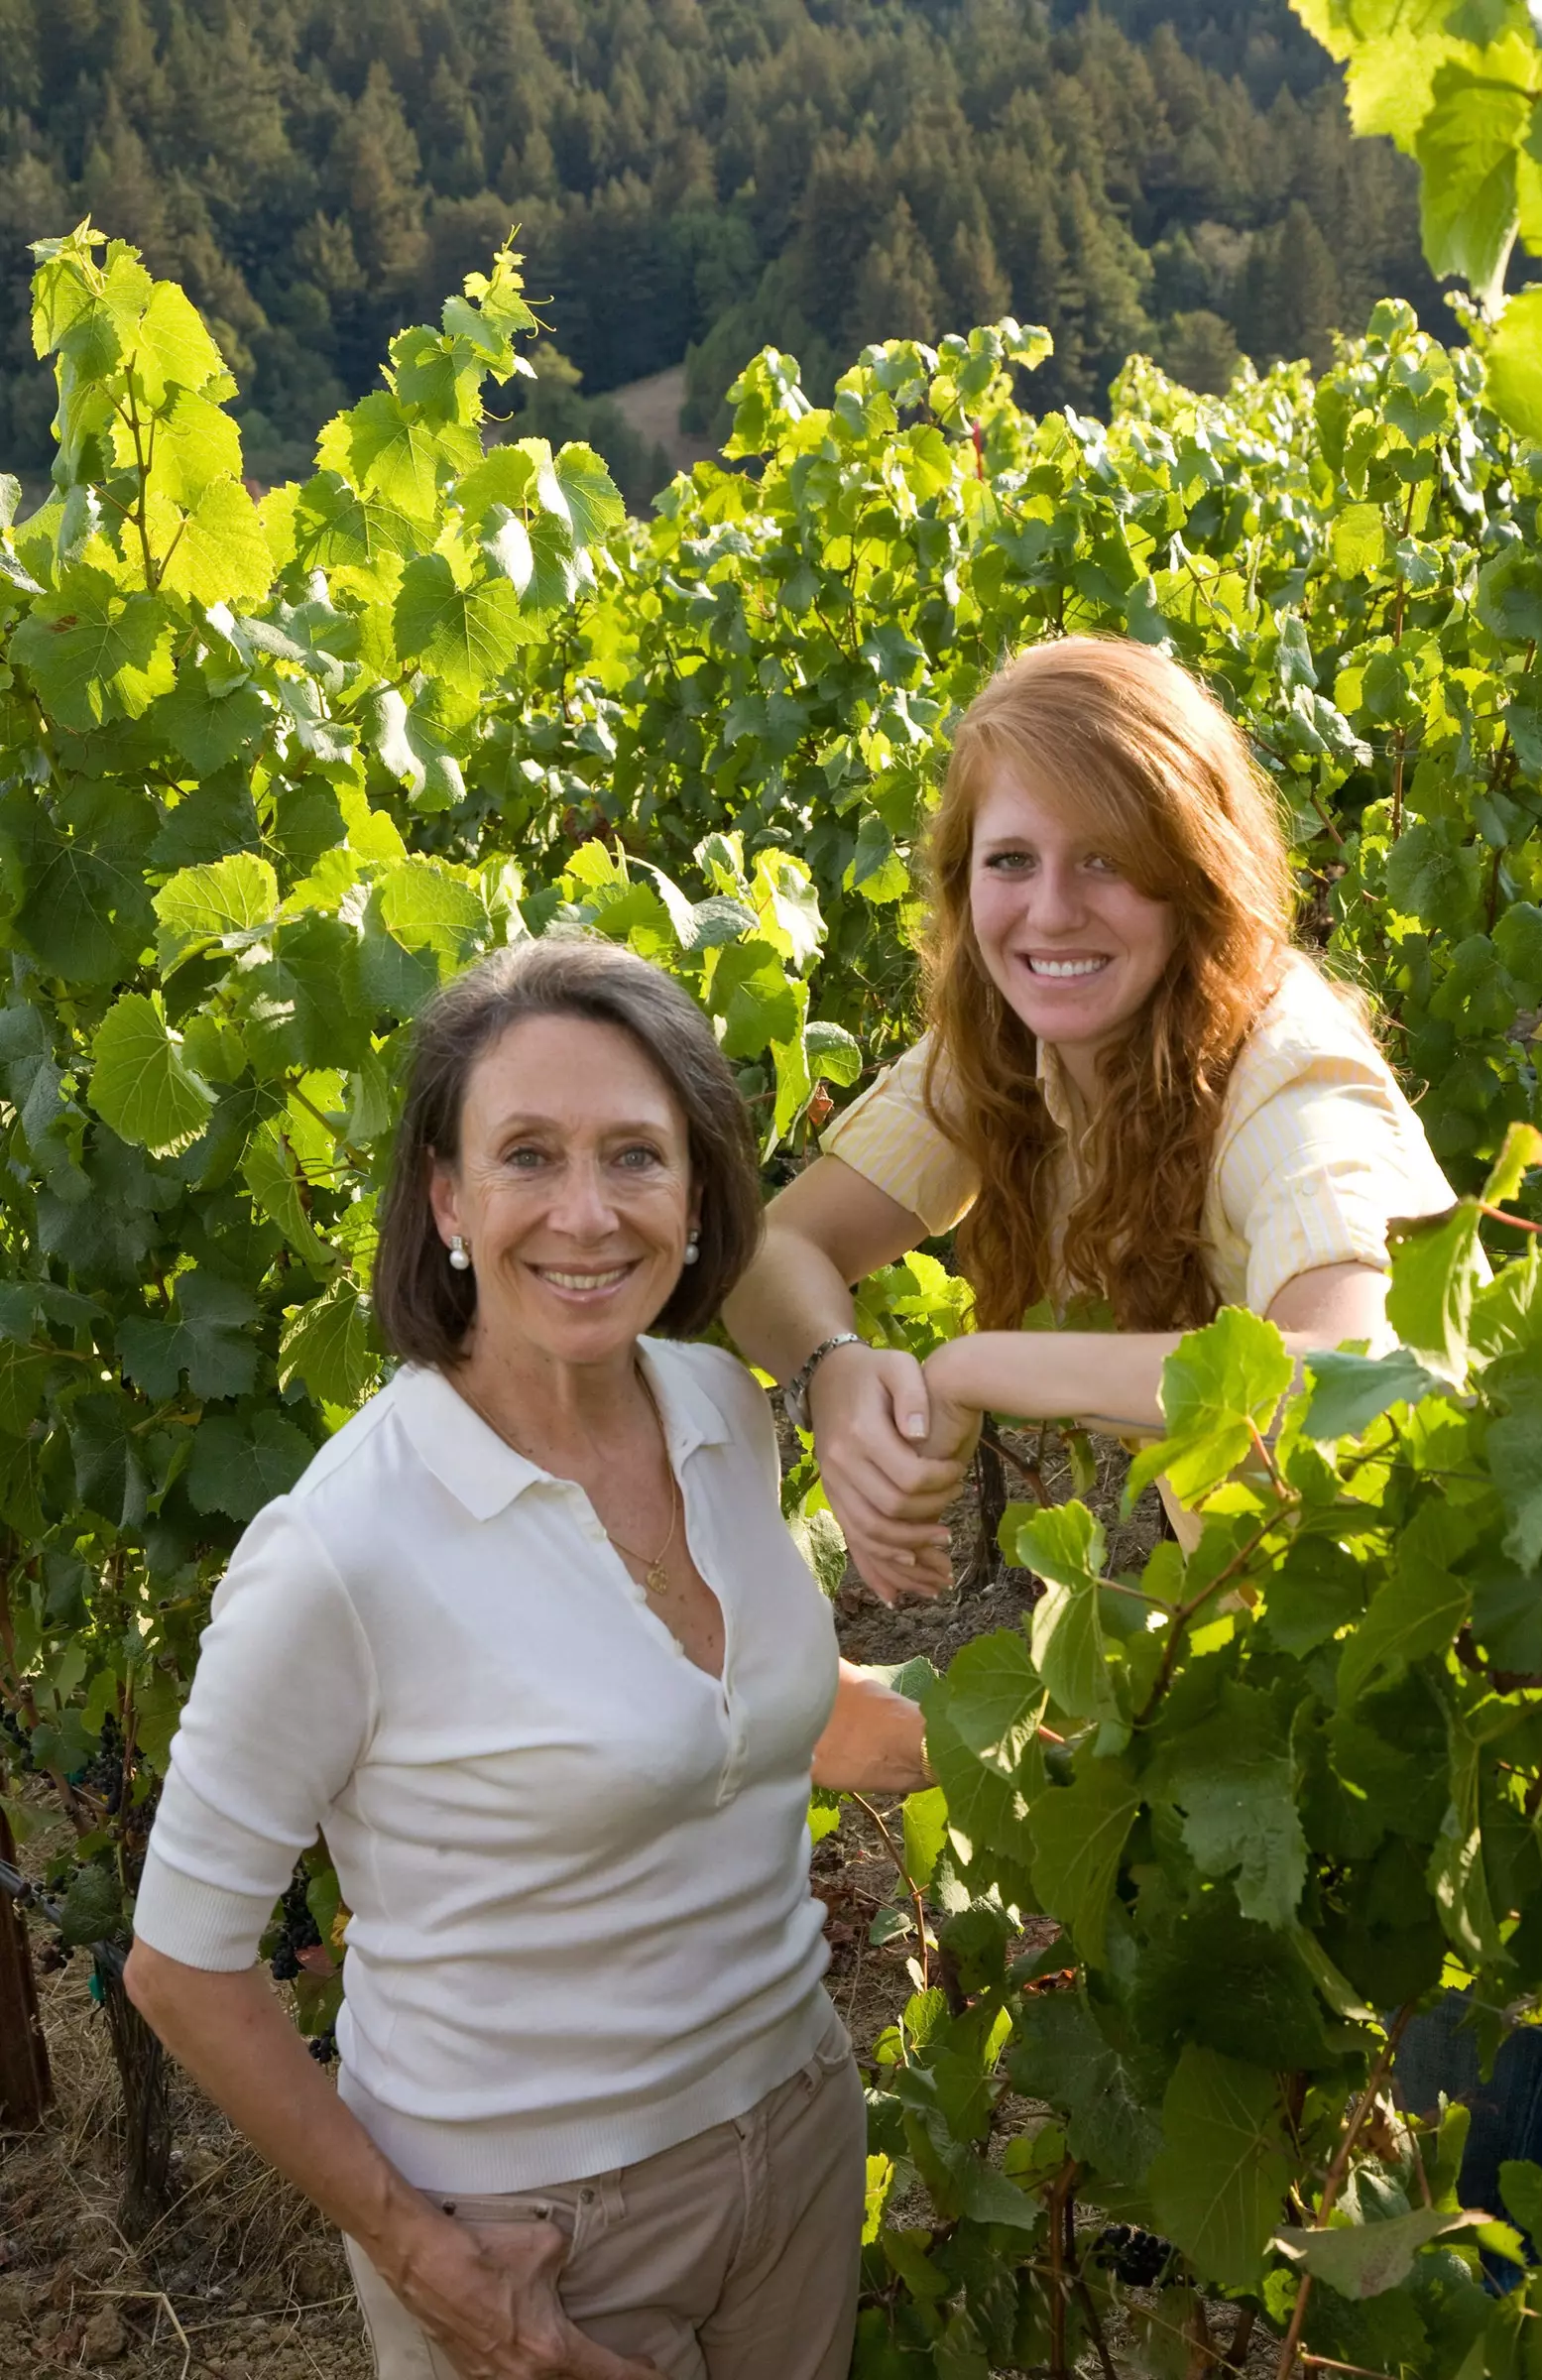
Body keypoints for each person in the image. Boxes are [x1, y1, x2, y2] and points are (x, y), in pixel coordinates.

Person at [124, 935, 929, 2380]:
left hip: (799, 2133)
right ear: (446, 1196)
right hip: (536, 2231)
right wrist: (430, 2263)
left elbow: (744, 1723)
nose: (585, 1212)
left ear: (698, 1197)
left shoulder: (724, 1410)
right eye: (529, 1156)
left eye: (636, 1156)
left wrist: (1084, 1726)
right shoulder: (344, 1552)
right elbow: (180, 1968)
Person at [722, 633, 1460, 1589]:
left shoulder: (1291, 1078)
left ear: (1196, 876)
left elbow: (1350, 1384)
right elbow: (774, 1250)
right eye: (1012, 860)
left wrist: (976, 1370)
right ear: (962, 880)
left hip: (1457, 1634)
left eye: (1106, 859)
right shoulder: (1004, 1049)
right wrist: (834, 1369)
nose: (1053, 910)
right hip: (1275, 1622)